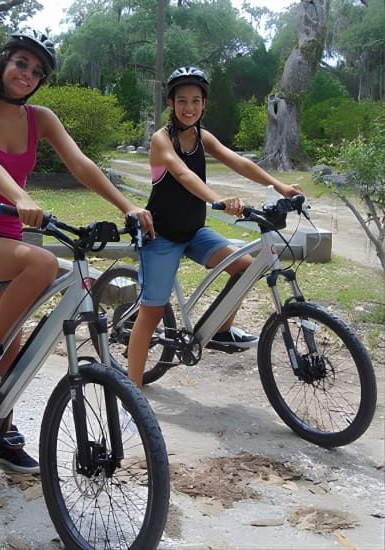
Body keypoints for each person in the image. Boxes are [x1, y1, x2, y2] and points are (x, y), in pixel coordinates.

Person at [0, 28, 154, 473]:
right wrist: (20, 198)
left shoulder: (41, 118)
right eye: (21, 63)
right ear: (2, 64)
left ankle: (0, 435)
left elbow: (81, 163)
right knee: (40, 266)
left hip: (10, 243)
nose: (28, 74)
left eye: (37, 71)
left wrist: (128, 205)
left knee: (18, 344)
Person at [127, 66, 301, 388]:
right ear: (170, 102)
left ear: (205, 104)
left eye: (196, 100)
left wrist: (280, 187)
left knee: (245, 267)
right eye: (182, 101)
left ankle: (221, 330)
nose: (189, 107)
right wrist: (217, 200)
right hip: (162, 236)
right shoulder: (161, 139)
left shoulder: (202, 137)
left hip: (193, 232)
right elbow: (182, 174)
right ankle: (130, 392)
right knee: (151, 315)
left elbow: (239, 162)